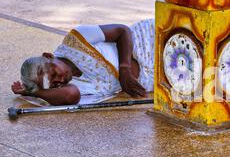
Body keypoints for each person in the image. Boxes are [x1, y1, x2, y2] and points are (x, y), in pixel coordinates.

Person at [11, 19, 155, 105]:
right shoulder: (72, 86)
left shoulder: (77, 38)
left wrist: (124, 70)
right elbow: (70, 95)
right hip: (153, 76)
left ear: (49, 56)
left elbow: (122, 31)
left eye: (54, 73)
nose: (59, 80)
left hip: (148, 41)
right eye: (52, 84)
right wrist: (35, 92)